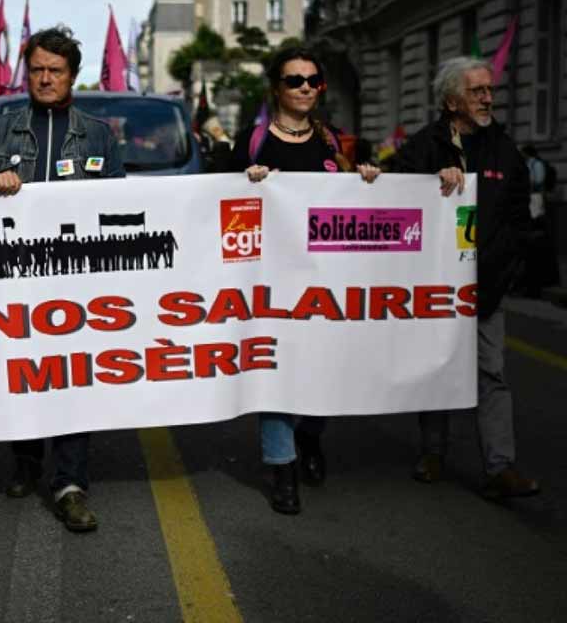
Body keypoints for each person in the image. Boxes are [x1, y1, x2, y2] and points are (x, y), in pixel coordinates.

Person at [0, 25, 124, 532]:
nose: (46, 79)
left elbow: (119, 203)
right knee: (24, 376)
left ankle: (70, 484)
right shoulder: (2, 128)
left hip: (75, 282)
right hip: (14, 279)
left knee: (73, 378)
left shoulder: (98, 134)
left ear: (73, 76)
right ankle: (26, 461)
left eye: (56, 70)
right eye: (37, 70)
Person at [223, 46, 380, 516]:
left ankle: (310, 435)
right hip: (266, 282)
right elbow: (217, 206)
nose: (305, 88)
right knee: (274, 372)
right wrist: (243, 183)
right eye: (294, 80)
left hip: (325, 281)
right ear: (277, 88)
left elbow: (360, 206)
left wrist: (368, 179)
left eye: (313, 80)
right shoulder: (251, 143)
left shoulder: (337, 143)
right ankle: (283, 467)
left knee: (323, 370)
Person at [392, 56, 539, 500]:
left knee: (492, 374)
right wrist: (429, 181)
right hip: (435, 288)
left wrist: (508, 266)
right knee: (437, 369)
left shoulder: (504, 149)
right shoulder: (425, 146)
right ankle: (433, 453)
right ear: (452, 101)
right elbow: (395, 194)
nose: (487, 98)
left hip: (486, 287)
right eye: (477, 91)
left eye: (489, 90)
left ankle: (500, 467)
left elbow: (519, 216)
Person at [520, 144, 560, 295]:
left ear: (527, 153)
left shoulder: (536, 164)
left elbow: (538, 181)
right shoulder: (529, 164)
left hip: (536, 200)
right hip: (532, 200)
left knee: (535, 229)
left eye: (523, 153)